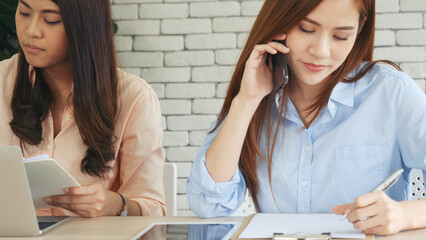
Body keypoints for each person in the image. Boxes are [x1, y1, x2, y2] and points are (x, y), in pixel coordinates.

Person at [186, 0, 426, 235]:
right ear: (281, 22)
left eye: (341, 36)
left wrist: (404, 214)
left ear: (360, 28)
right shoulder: (256, 98)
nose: (321, 51)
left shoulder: (391, 92)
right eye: (306, 29)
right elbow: (209, 205)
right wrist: (247, 100)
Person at [0, 0, 165, 217]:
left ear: (84, 26)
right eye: (24, 12)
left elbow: (153, 210)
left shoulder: (134, 99)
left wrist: (116, 204)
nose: (31, 31)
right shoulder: (3, 82)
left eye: (51, 20)